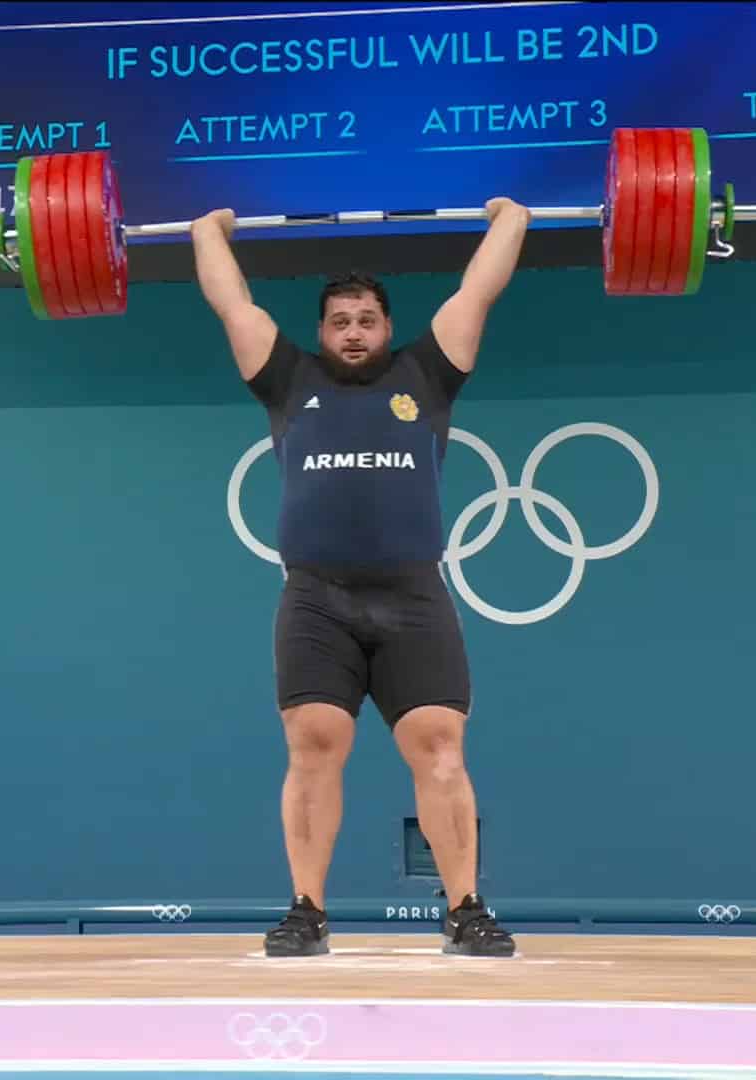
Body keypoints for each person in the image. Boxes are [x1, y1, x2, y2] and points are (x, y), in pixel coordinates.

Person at [191, 198, 532, 958]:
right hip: (317, 599)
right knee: (314, 744)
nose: (353, 332)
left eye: (367, 320)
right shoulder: (288, 378)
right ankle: (307, 910)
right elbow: (234, 304)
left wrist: (512, 219)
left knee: (439, 746)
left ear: (386, 326)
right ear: (321, 331)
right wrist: (208, 233)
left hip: (413, 597)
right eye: (340, 321)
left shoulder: (427, 373)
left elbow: (477, 291)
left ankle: (465, 908)